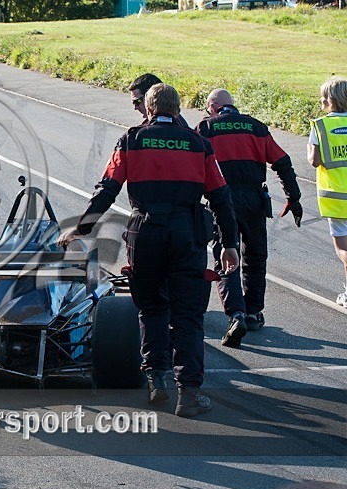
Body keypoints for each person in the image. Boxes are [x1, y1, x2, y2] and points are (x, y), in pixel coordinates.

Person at [58, 84, 239, 418]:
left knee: (151, 308)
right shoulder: (199, 144)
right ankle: (190, 392)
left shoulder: (132, 140)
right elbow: (221, 198)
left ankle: (156, 379)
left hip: (145, 233)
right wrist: (229, 245)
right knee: (187, 314)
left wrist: (81, 229)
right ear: (177, 109)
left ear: (149, 108)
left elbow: (107, 188)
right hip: (187, 235)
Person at [197, 88, 302, 347]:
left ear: (212, 107)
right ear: (232, 105)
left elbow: (194, 162)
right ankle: (254, 311)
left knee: (226, 254)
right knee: (256, 255)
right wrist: (294, 197)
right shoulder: (256, 127)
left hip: (222, 201)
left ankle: (237, 313)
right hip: (254, 199)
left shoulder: (206, 128)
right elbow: (282, 162)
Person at [307, 76, 347, 307]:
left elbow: (314, 160)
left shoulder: (321, 125)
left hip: (337, 198)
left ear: (330, 101)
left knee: (343, 247)